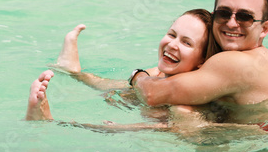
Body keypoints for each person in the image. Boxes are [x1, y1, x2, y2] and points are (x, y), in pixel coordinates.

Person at [131, 0, 268, 133]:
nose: (232, 23)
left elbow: (152, 94)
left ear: (264, 29)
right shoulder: (263, 57)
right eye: (224, 13)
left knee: (181, 109)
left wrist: (137, 75)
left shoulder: (235, 63)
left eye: (245, 17)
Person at [26, 9, 216, 130]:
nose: (172, 45)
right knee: (117, 88)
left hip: (157, 127)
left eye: (186, 42)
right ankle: (73, 71)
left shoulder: (188, 102)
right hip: (147, 97)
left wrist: (123, 128)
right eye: (171, 34)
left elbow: (171, 128)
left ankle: (49, 123)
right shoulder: (159, 73)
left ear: (201, 61)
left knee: (110, 123)